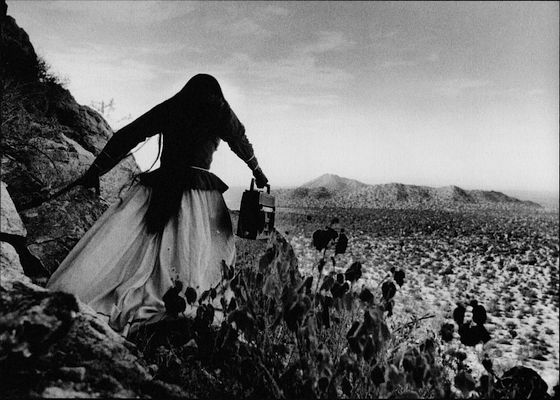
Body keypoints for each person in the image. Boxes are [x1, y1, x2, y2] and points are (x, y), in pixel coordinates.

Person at [47, 74, 268, 335]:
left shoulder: (174, 106)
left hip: (161, 186)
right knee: (194, 253)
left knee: (138, 246)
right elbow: (240, 141)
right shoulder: (219, 110)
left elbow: (130, 135)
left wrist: (98, 169)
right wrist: (258, 172)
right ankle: (184, 306)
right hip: (198, 195)